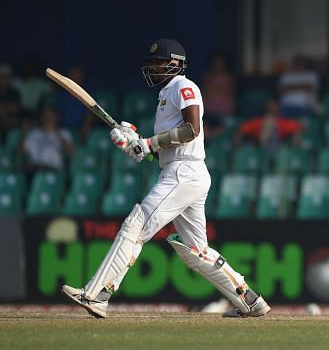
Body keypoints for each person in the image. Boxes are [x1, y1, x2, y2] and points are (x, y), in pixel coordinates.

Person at [62, 39, 269, 319]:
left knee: (137, 224)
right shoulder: (165, 96)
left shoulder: (183, 87)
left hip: (184, 173)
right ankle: (250, 300)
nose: (153, 68)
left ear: (174, 63)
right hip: (182, 171)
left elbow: (192, 130)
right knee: (196, 251)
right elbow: (161, 152)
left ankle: (98, 294)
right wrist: (134, 144)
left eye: (157, 63)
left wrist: (147, 144)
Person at [236, 99, 305, 154]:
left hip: (278, 150)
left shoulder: (282, 122)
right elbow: (241, 130)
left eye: (274, 105)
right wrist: (238, 150)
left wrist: (295, 146)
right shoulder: (257, 122)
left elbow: (298, 128)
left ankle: (293, 156)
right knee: (268, 122)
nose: (272, 108)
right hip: (258, 150)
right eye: (270, 106)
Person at [22, 105, 74, 175]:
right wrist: (25, 132)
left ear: (56, 118)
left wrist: (56, 134)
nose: (48, 119)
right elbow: (21, 151)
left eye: (51, 116)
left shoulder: (63, 133)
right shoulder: (34, 133)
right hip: (35, 170)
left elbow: (72, 152)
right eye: (45, 116)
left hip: (54, 169)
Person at [0, 64, 21, 144]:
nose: (4, 80)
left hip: (11, 121)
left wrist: (3, 108)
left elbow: (15, 108)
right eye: (2, 77)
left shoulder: (14, 93)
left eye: (6, 77)